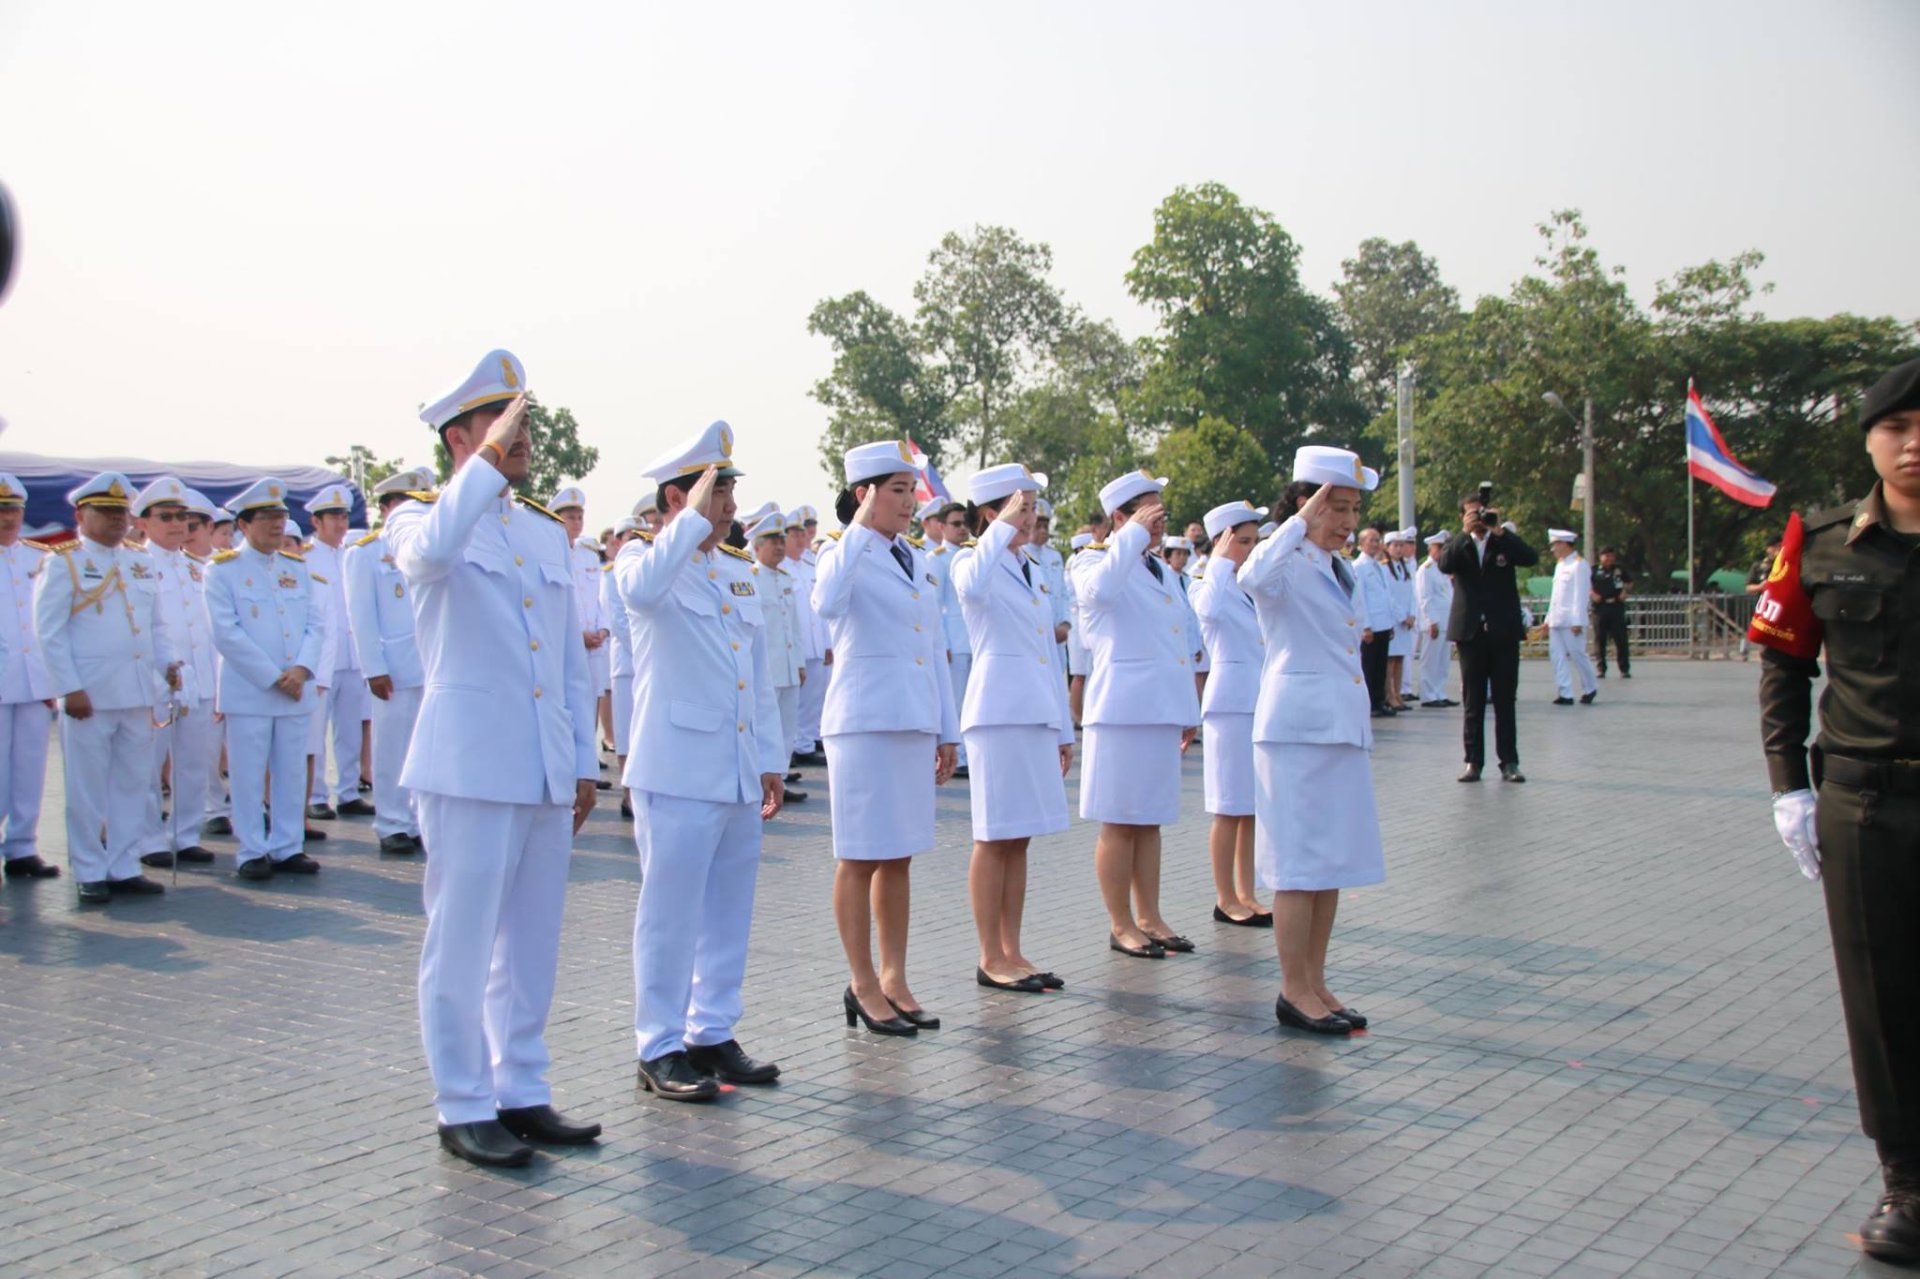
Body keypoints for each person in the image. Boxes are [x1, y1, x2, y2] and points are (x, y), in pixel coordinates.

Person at [388, 350, 601, 1168]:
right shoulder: (421, 516)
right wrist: (477, 468)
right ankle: (462, 1101)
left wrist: (581, 760)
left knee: (532, 942)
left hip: (543, 768)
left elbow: (565, 663)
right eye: (501, 423)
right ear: (458, 438)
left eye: (524, 423)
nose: (521, 437)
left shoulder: (542, 530)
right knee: (463, 940)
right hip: (468, 766)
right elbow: (431, 555)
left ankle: (521, 1087)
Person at [1751, 356, 1920, 1265]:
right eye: (1898, 427)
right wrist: (1790, 786)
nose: (1915, 443)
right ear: (1869, 437)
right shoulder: (1817, 543)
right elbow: (1783, 663)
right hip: (1865, 800)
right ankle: (1907, 1181)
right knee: (1882, 996)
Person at [616, 423, 787, 1101]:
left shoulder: (737, 571)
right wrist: (685, 521)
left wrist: (770, 758)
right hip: (677, 769)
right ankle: (657, 1044)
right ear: (676, 500)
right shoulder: (643, 561)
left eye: (731, 490)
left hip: (737, 767)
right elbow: (644, 588)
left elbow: (758, 672)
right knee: (670, 911)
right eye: (717, 491)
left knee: (727, 908)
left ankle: (710, 1029)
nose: (729, 506)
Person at [812, 440, 959, 1035]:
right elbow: (826, 602)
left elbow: (934, 649)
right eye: (896, 490)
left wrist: (946, 730)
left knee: (898, 855)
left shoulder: (916, 559)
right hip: (864, 722)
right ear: (863, 495)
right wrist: (852, 529)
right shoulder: (838, 553)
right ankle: (861, 980)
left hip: (910, 720)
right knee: (860, 855)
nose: (910, 501)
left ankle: (895, 977)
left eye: (909, 489)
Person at [1240, 447, 1386, 1035]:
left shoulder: (1331, 564)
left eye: (1353, 509)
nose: (1349, 523)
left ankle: (1316, 980)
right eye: (1338, 509)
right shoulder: (1285, 559)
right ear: (1308, 504)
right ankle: (1292, 989)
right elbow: (1249, 575)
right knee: (1298, 865)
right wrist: (1298, 523)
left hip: (1337, 726)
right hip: (1296, 731)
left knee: (1329, 862)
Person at [1070, 468, 1202, 959]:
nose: (1158, 520)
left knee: (1149, 820)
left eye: (1160, 511)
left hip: (1159, 709)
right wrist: (1127, 535)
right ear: (1120, 517)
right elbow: (1099, 595)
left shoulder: (1161, 570)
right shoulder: (1091, 560)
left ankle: (1150, 915)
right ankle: (1120, 922)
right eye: (1148, 511)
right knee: (1119, 821)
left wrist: (1186, 708)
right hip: (1121, 710)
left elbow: (1176, 643)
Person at [952, 467, 1074, 993]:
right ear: (990, 513)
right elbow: (973, 584)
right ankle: (988, 955)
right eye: (1020, 508)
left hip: (1034, 709)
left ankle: (1012, 948)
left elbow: (1050, 650)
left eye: (1031, 510)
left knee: (1019, 837)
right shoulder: (968, 560)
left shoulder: (1031, 566)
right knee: (994, 835)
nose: (1029, 519)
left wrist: (1063, 726)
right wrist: (1001, 526)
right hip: (996, 712)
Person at [37, 473, 180, 904]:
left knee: (133, 784)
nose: (118, 520)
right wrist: (69, 688)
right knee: (86, 788)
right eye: (107, 512)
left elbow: (155, 624)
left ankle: (124, 864)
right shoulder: (64, 562)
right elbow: (50, 632)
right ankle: (89, 869)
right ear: (82, 515)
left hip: (137, 693)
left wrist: (168, 665)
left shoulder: (140, 560)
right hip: (91, 696)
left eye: (122, 512)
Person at [206, 478, 327, 881]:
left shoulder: (296, 567)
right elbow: (227, 633)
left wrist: (302, 670)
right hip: (252, 690)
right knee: (248, 771)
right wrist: (276, 677)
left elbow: (314, 624)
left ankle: (288, 845)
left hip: (295, 689)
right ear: (244, 524)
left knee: (291, 770)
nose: (278, 526)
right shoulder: (223, 571)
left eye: (282, 517)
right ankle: (251, 849)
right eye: (268, 518)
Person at [132, 476, 218, 868]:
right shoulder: (135, 565)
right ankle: (149, 839)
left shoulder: (197, 568)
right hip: (155, 682)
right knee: (148, 766)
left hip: (198, 680)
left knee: (194, 762)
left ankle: (184, 835)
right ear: (143, 522)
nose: (176, 524)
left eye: (183, 517)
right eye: (165, 516)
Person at [344, 470, 431, 856]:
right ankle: (392, 822)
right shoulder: (366, 553)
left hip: (431, 663)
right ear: (385, 508)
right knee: (392, 747)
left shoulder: (427, 547)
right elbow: (361, 618)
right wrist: (372, 668)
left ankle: (416, 820)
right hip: (392, 669)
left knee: (425, 747)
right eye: (405, 503)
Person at [1192, 499, 1270, 927]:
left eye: (1254, 540)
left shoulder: (1248, 583)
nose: (1250, 549)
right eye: (1242, 541)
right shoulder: (1208, 581)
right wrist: (1221, 561)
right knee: (1227, 805)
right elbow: (1208, 612)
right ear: (1222, 541)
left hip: (1260, 699)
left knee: (1251, 806)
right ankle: (1225, 897)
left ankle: (1247, 891)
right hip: (1229, 703)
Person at [1438, 492, 1539, 782]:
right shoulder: (1458, 543)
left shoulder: (1501, 540)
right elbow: (1445, 564)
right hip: (1470, 632)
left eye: (1481, 512)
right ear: (1462, 517)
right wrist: (1464, 534)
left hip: (1503, 630)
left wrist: (1499, 530)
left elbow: (1530, 558)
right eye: (1472, 514)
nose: (1479, 518)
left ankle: (1509, 761)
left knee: (1505, 699)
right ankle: (1473, 761)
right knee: (1473, 700)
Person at [301, 484, 374, 822]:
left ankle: (347, 791)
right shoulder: (303, 559)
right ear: (316, 521)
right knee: (315, 731)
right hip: (319, 662)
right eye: (334, 516)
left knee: (349, 729)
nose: (341, 523)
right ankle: (316, 795)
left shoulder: (354, 555)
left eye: (344, 516)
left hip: (353, 655)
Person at [0, 473, 60, 880]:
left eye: (14, 510)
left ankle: (22, 846)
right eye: (2, 510)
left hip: (36, 680)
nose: (9, 518)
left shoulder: (39, 559)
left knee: (29, 767)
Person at [551, 486, 614, 764]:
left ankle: (587, 766)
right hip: (567, 646)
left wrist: (603, 630)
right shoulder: (549, 553)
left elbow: (600, 601)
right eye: (570, 517)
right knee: (566, 708)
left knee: (589, 707)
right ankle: (568, 766)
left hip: (594, 647)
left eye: (579, 516)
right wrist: (579, 636)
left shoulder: (589, 556)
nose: (577, 522)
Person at [748, 511, 808, 804]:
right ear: (757, 546)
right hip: (766, 668)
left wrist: (798, 662)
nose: (780, 547)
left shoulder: (785, 578)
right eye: (772, 541)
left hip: (787, 667)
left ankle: (780, 780)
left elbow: (792, 626)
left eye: (782, 541)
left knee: (786, 727)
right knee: (764, 727)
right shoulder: (750, 579)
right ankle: (760, 780)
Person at [599, 518, 638, 817]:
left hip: (650, 666)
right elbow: (618, 621)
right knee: (625, 733)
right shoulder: (611, 575)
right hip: (627, 662)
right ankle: (628, 795)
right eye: (629, 536)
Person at [785, 506, 828, 765]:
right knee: (791, 702)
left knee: (813, 697)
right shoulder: (779, 568)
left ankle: (805, 743)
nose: (802, 539)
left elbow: (820, 610)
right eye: (795, 535)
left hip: (815, 643)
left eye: (804, 534)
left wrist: (827, 643)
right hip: (794, 645)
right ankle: (791, 748)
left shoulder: (811, 564)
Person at [1545, 529, 1598, 706]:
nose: (1553, 549)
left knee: (1577, 655)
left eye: (1555, 544)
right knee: (1557, 656)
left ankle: (1590, 687)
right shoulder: (1560, 565)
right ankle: (1565, 692)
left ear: (1565, 544)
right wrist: (1547, 619)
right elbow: (1555, 596)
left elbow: (1580, 595)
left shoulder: (1579, 565)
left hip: (1571, 620)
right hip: (1557, 619)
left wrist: (1577, 621)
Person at [1351, 527, 1396, 717]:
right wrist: (1366, 625)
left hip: (1383, 622)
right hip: (1371, 625)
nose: (1375, 544)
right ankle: (1369, 703)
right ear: (1361, 544)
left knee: (1380, 666)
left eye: (1378, 540)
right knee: (1369, 666)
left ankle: (1379, 700)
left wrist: (1391, 621)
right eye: (1371, 540)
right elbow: (1359, 598)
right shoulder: (1358, 566)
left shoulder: (1378, 565)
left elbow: (1385, 595)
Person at [1414, 531, 1455, 707]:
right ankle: (1428, 695)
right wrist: (1431, 621)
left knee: (1443, 661)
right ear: (1432, 549)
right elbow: (1425, 597)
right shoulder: (1426, 570)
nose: (1444, 552)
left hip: (1447, 620)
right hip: (1434, 622)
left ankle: (1439, 692)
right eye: (1441, 549)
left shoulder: (1443, 569)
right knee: (1430, 661)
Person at [1383, 529, 1418, 709]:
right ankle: (1390, 695)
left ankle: (1398, 693)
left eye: (1401, 545)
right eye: (1395, 545)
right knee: (1390, 660)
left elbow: (1412, 594)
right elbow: (1388, 596)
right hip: (1393, 620)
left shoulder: (1406, 567)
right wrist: (1402, 616)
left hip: (1406, 621)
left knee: (1400, 659)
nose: (1398, 549)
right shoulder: (1383, 568)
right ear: (1387, 547)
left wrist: (1412, 614)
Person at [1064, 530, 1094, 727]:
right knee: (1079, 674)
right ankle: (1077, 715)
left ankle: (1085, 713)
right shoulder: (1075, 564)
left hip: (1088, 623)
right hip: (1076, 623)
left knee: (1090, 672)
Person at [1592, 546, 1634, 677]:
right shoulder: (1593, 570)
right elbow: (1585, 584)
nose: (1610, 558)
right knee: (1600, 639)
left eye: (1612, 555)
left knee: (1621, 639)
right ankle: (1601, 668)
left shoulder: (1619, 569)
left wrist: (1625, 592)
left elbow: (1630, 581)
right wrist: (1592, 594)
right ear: (1600, 557)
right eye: (1606, 556)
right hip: (1600, 607)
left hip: (1616, 606)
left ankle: (1624, 669)